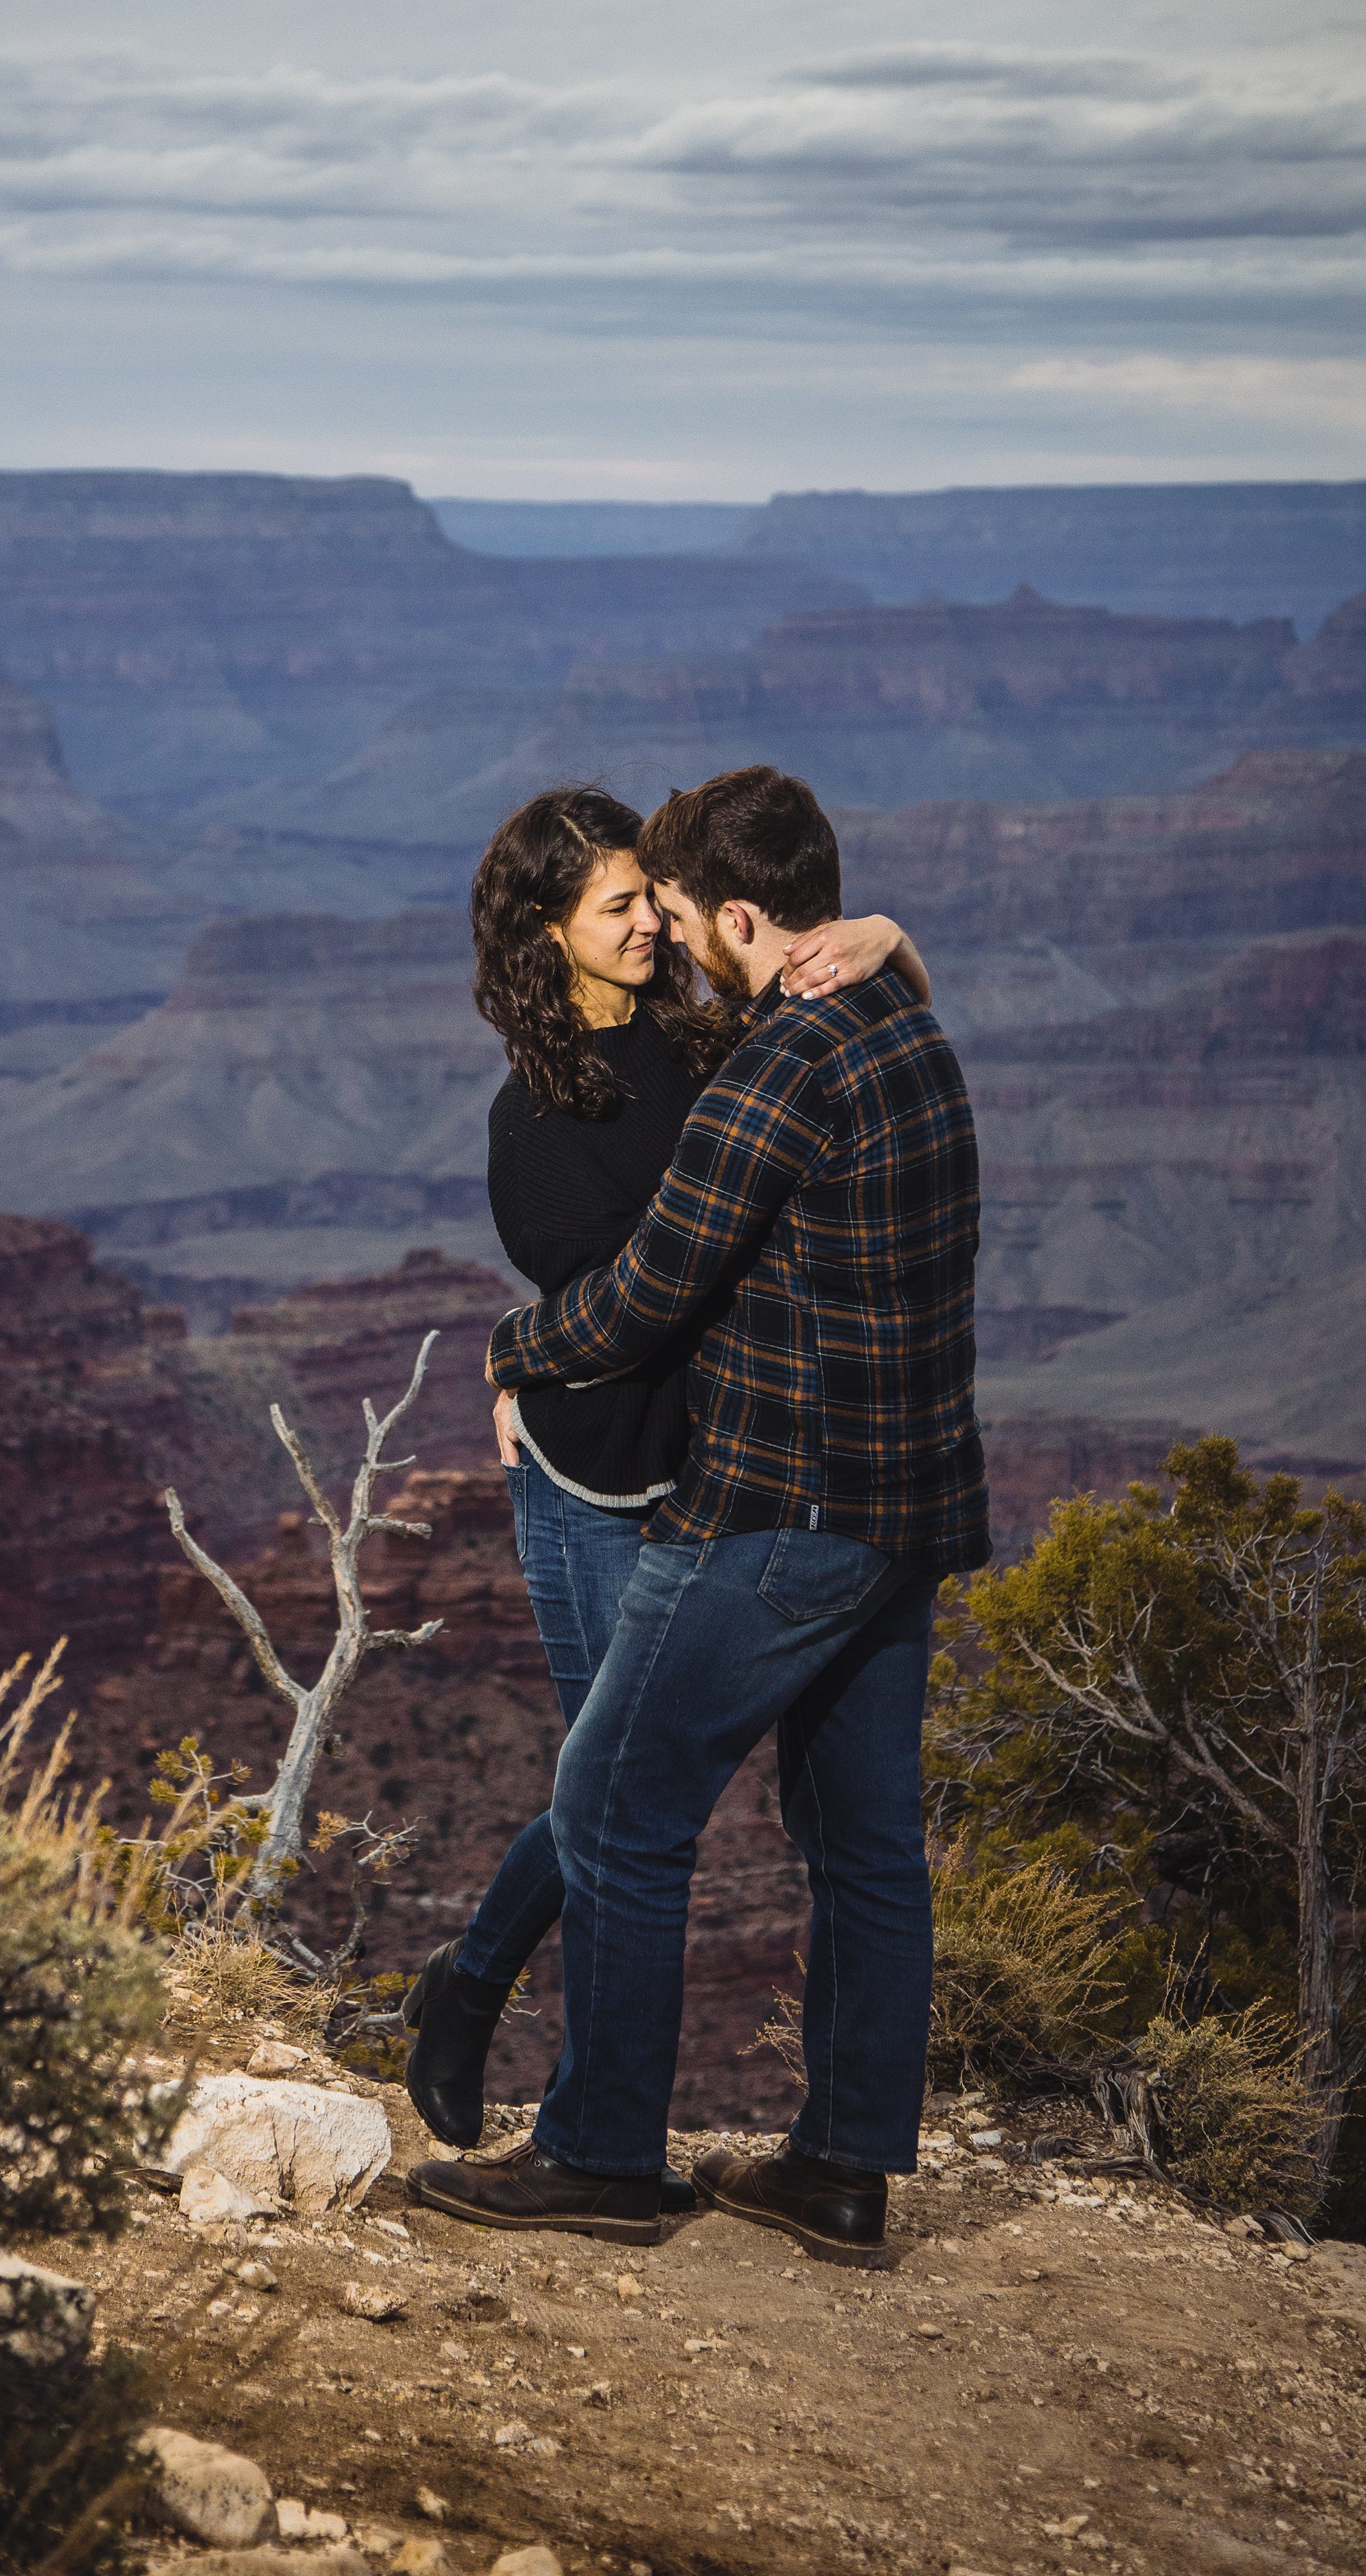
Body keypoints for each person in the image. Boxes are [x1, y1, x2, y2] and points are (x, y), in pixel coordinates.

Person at [409, 763, 986, 2258]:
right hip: (912, 1513)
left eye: (673, 911)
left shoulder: (769, 1074)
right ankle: (842, 2172)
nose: (663, 935)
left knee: (610, 1799)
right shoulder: (902, 1027)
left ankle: (602, 2152)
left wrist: (503, 1353)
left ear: (737, 916)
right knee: (864, 1841)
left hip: (780, 1511)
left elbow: (652, 1287)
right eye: (630, 909)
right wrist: (891, 937)